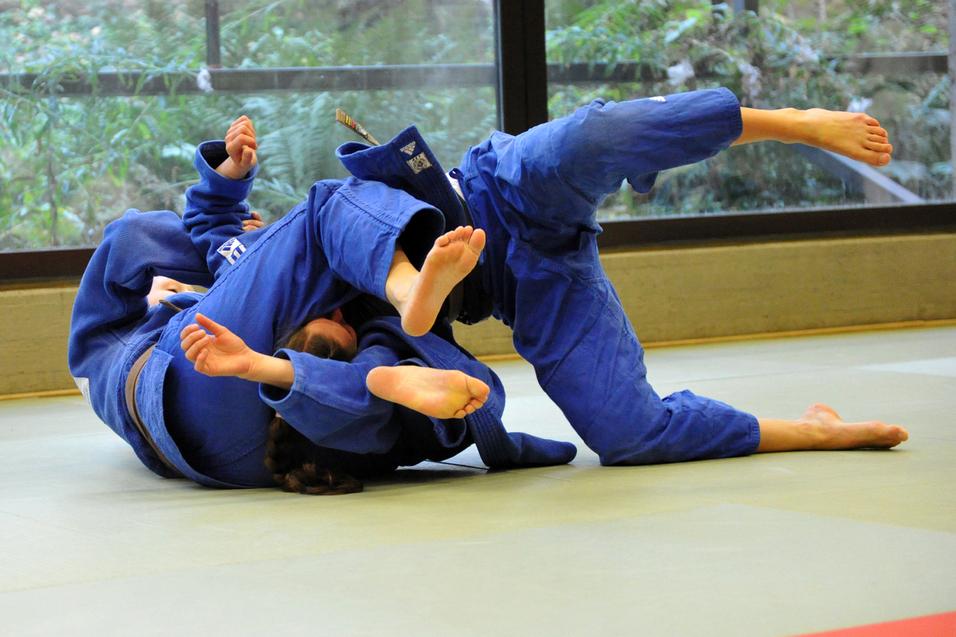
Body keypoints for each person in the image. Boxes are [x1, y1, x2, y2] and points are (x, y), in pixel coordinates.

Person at [68, 117, 575, 492]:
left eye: (326, 316)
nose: (332, 309)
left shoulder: (144, 344)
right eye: (334, 316)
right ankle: (398, 304)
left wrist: (228, 183)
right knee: (327, 211)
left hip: (253, 444)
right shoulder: (165, 338)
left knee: (392, 350)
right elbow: (192, 239)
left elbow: (209, 229)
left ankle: (379, 362)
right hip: (241, 403)